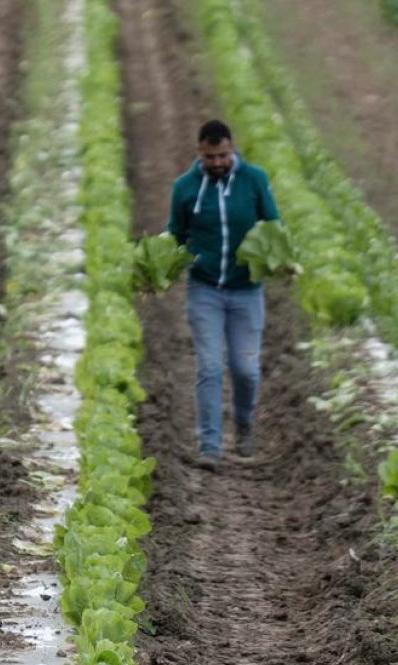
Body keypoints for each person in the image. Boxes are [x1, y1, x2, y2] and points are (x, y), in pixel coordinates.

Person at [167, 120, 280, 471]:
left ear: (232, 149)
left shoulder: (254, 180)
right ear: (199, 152)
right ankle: (210, 444)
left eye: (223, 155)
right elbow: (175, 235)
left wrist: (281, 260)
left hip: (247, 291)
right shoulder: (185, 188)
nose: (217, 162)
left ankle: (244, 427)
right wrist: (158, 267)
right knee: (210, 367)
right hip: (205, 290)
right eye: (209, 156)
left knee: (246, 369)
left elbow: (273, 226)